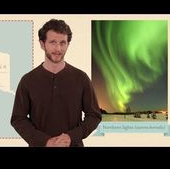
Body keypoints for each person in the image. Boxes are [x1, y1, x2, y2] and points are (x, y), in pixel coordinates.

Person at [10, 19, 102, 147]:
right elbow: (18, 119)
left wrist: (71, 137)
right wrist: (45, 141)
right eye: (53, 42)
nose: (58, 48)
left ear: (68, 44)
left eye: (62, 43)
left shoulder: (81, 78)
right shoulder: (27, 81)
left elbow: (94, 116)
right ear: (42, 44)